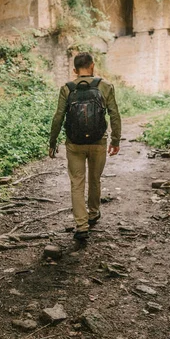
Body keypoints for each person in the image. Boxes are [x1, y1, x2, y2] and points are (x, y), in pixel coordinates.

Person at [48, 52, 121, 241]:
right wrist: (115, 140)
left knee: (77, 184)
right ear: (92, 66)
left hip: (74, 144)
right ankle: (94, 213)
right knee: (95, 179)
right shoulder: (105, 86)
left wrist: (53, 141)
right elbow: (114, 115)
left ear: (74, 70)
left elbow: (58, 117)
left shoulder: (67, 89)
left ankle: (81, 226)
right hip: (98, 142)